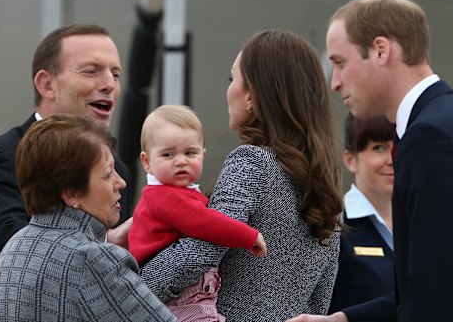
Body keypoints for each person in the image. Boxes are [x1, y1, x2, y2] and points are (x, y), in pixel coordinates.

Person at [323, 0, 453, 321]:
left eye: (339, 63)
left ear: (382, 50)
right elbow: (435, 286)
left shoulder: (433, 139)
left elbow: (436, 306)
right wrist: (343, 319)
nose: (335, 83)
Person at [136, 29, 344, 321]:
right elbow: (321, 298)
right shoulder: (327, 186)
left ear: (252, 97)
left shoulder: (252, 162)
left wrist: (129, 286)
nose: (229, 89)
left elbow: (199, 252)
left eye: (232, 79)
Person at [0, 24, 133, 322]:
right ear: (46, 84)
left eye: (115, 74)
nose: (109, 84)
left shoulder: (117, 171)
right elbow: (10, 248)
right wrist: (108, 248)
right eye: (91, 71)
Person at [0, 114, 175, 321]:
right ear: (71, 192)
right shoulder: (91, 259)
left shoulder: (13, 248)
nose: (121, 183)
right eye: (108, 173)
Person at [129, 104, 267, 321]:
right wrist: (248, 235)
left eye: (190, 152)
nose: (181, 160)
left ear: (203, 154)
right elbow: (204, 222)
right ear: (146, 161)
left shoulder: (177, 192)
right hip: (172, 292)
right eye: (168, 154)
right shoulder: (164, 196)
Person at [291, 113, 397, 322]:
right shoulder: (330, 225)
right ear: (350, 160)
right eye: (378, 147)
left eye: (398, 147)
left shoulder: (426, 227)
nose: (392, 159)